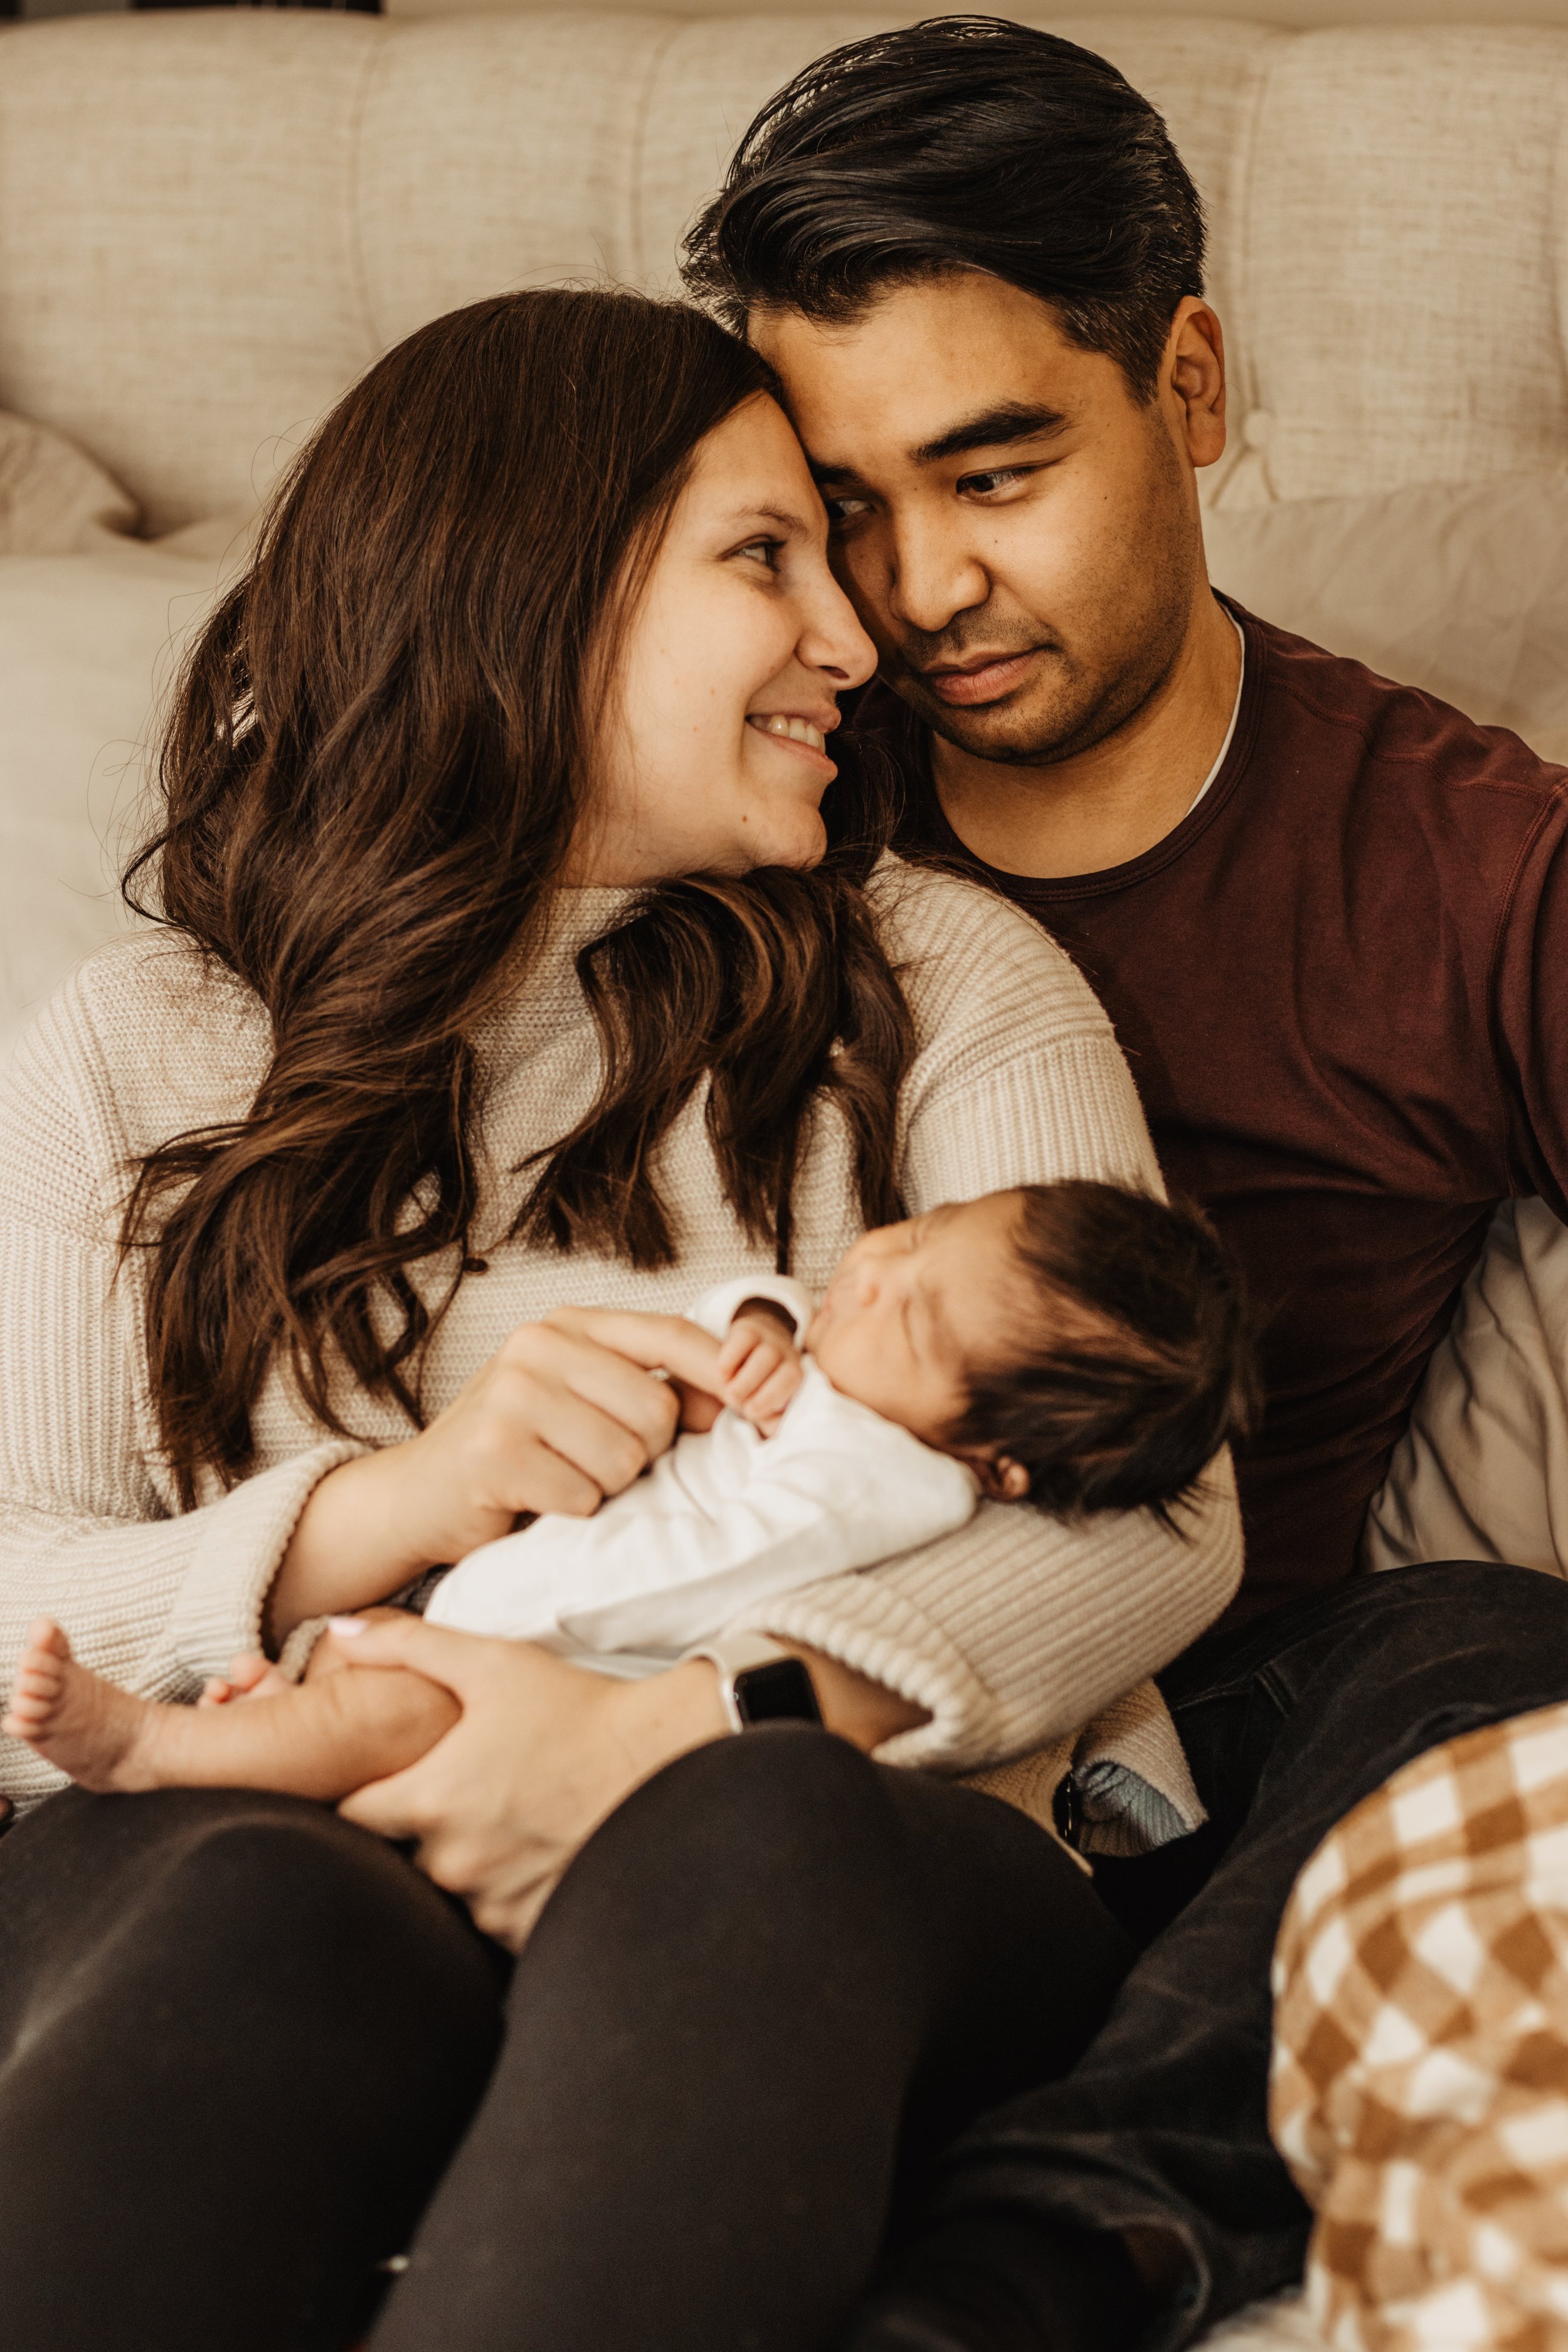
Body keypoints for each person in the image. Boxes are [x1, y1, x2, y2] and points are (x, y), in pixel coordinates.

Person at [0, 285, 1242, 2351]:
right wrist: (393, 1506)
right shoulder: (138, 1047)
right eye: (767, 556)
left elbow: (1161, 1502)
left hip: (847, 1855)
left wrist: (667, 1734)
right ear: (534, 587)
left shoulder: (940, 980)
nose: (856, 637)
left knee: (751, 1829)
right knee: (246, 1886)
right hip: (281, 1828)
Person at [674, 14, 1568, 2348]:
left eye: (996, 471)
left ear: (1188, 385)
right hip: (707, 1641)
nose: (916, 590)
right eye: (846, 505)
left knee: (1494, 1648)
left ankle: (1034, 2266)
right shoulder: (746, 782)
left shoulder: (1468, 873)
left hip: (1193, 1753)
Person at [4, 1182, 1252, 1804]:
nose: (872, 1272)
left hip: (567, 1674)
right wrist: (760, 1327)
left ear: (997, 1464)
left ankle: (157, 1747)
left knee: (386, 1713)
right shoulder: (847, 1380)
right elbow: (751, 1314)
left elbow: (704, 1570)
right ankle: (264, 1721)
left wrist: (491, 1628)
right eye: (920, 1233)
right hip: (476, 1614)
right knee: (346, 1703)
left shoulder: (884, 1481)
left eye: (917, 1317)